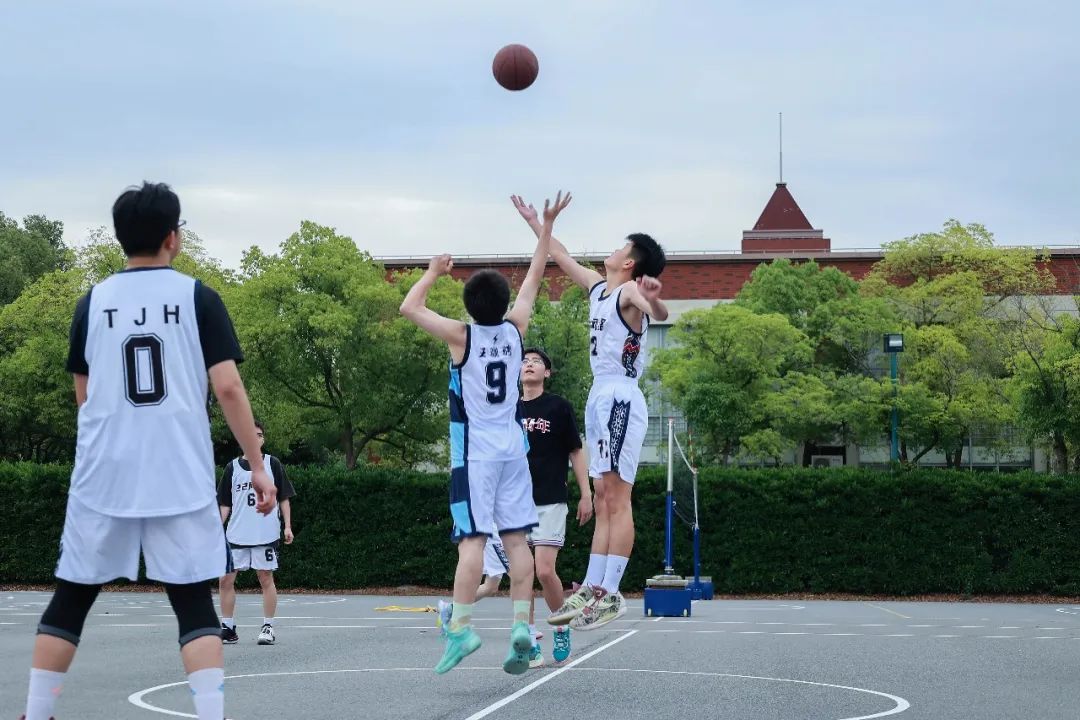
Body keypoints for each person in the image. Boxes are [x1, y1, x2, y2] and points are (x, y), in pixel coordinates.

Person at [21, 182, 274, 720]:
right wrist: (256, 467)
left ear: (120, 238)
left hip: (104, 473)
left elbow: (84, 395)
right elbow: (228, 387)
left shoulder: (92, 303)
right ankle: (210, 714)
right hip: (177, 471)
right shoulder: (198, 298)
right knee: (192, 601)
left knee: (71, 598)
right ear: (172, 237)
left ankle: (37, 712)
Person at [400, 191, 570, 675]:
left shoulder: (462, 336)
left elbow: (409, 307)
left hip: (476, 454)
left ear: (470, 306)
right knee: (517, 542)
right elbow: (536, 274)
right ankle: (520, 625)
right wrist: (544, 226)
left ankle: (461, 628)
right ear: (503, 302)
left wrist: (432, 272)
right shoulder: (516, 329)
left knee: (472, 542)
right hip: (514, 450)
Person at [512, 194, 668, 631]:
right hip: (600, 396)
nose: (612, 250)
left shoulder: (630, 291)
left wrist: (655, 300)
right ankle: (593, 587)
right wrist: (538, 222)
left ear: (630, 263)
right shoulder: (600, 288)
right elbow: (559, 255)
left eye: (621, 247)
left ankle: (611, 591)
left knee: (617, 496)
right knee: (601, 496)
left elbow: (659, 311)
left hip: (620, 396)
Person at [519, 347, 592, 664]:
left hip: (550, 499)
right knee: (522, 573)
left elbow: (576, 451)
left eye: (536, 362)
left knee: (544, 570)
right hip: (513, 502)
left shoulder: (558, 407)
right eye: (524, 361)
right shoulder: (507, 408)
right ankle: (528, 635)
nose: (529, 365)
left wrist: (586, 493)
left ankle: (561, 625)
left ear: (546, 373)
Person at [218, 420, 296, 646]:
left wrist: (287, 526)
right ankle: (228, 627)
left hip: (265, 534)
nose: (255, 438)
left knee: (265, 577)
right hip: (236, 535)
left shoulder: (272, 464)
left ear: (263, 439)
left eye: (259, 435)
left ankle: (268, 626)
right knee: (225, 579)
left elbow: (284, 497)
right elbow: (225, 504)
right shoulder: (232, 468)